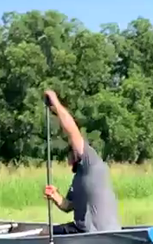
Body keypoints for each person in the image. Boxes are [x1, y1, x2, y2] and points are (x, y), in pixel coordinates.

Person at [43, 89, 121, 235]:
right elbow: (68, 206)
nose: (68, 161)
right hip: (81, 229)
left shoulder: (91, 162)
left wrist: (55, 103)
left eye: (69, 154)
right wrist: (55, 196)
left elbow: (72, 130)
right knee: (47, 231)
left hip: (92, 232)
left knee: (45, 233)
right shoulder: (78, 177)